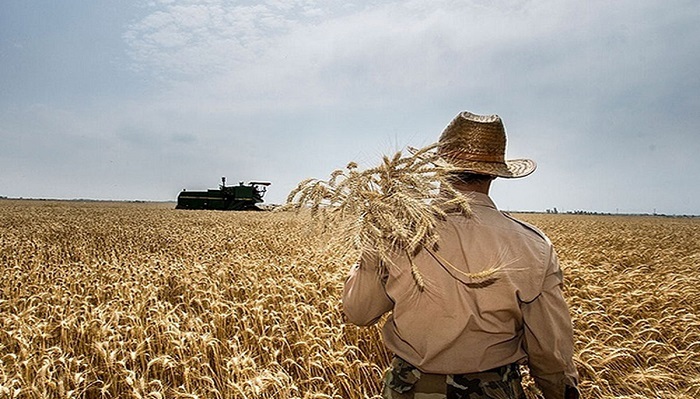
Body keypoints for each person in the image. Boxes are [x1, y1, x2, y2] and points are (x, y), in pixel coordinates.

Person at [342, 111, 579, 399]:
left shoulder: (394, 232)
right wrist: (559, 392)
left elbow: (359, 312)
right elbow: (550, 349)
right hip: (493, 392)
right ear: (494, 173)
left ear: (438, 165)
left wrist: (371, 245)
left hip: (408, 389)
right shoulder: (534, 246)